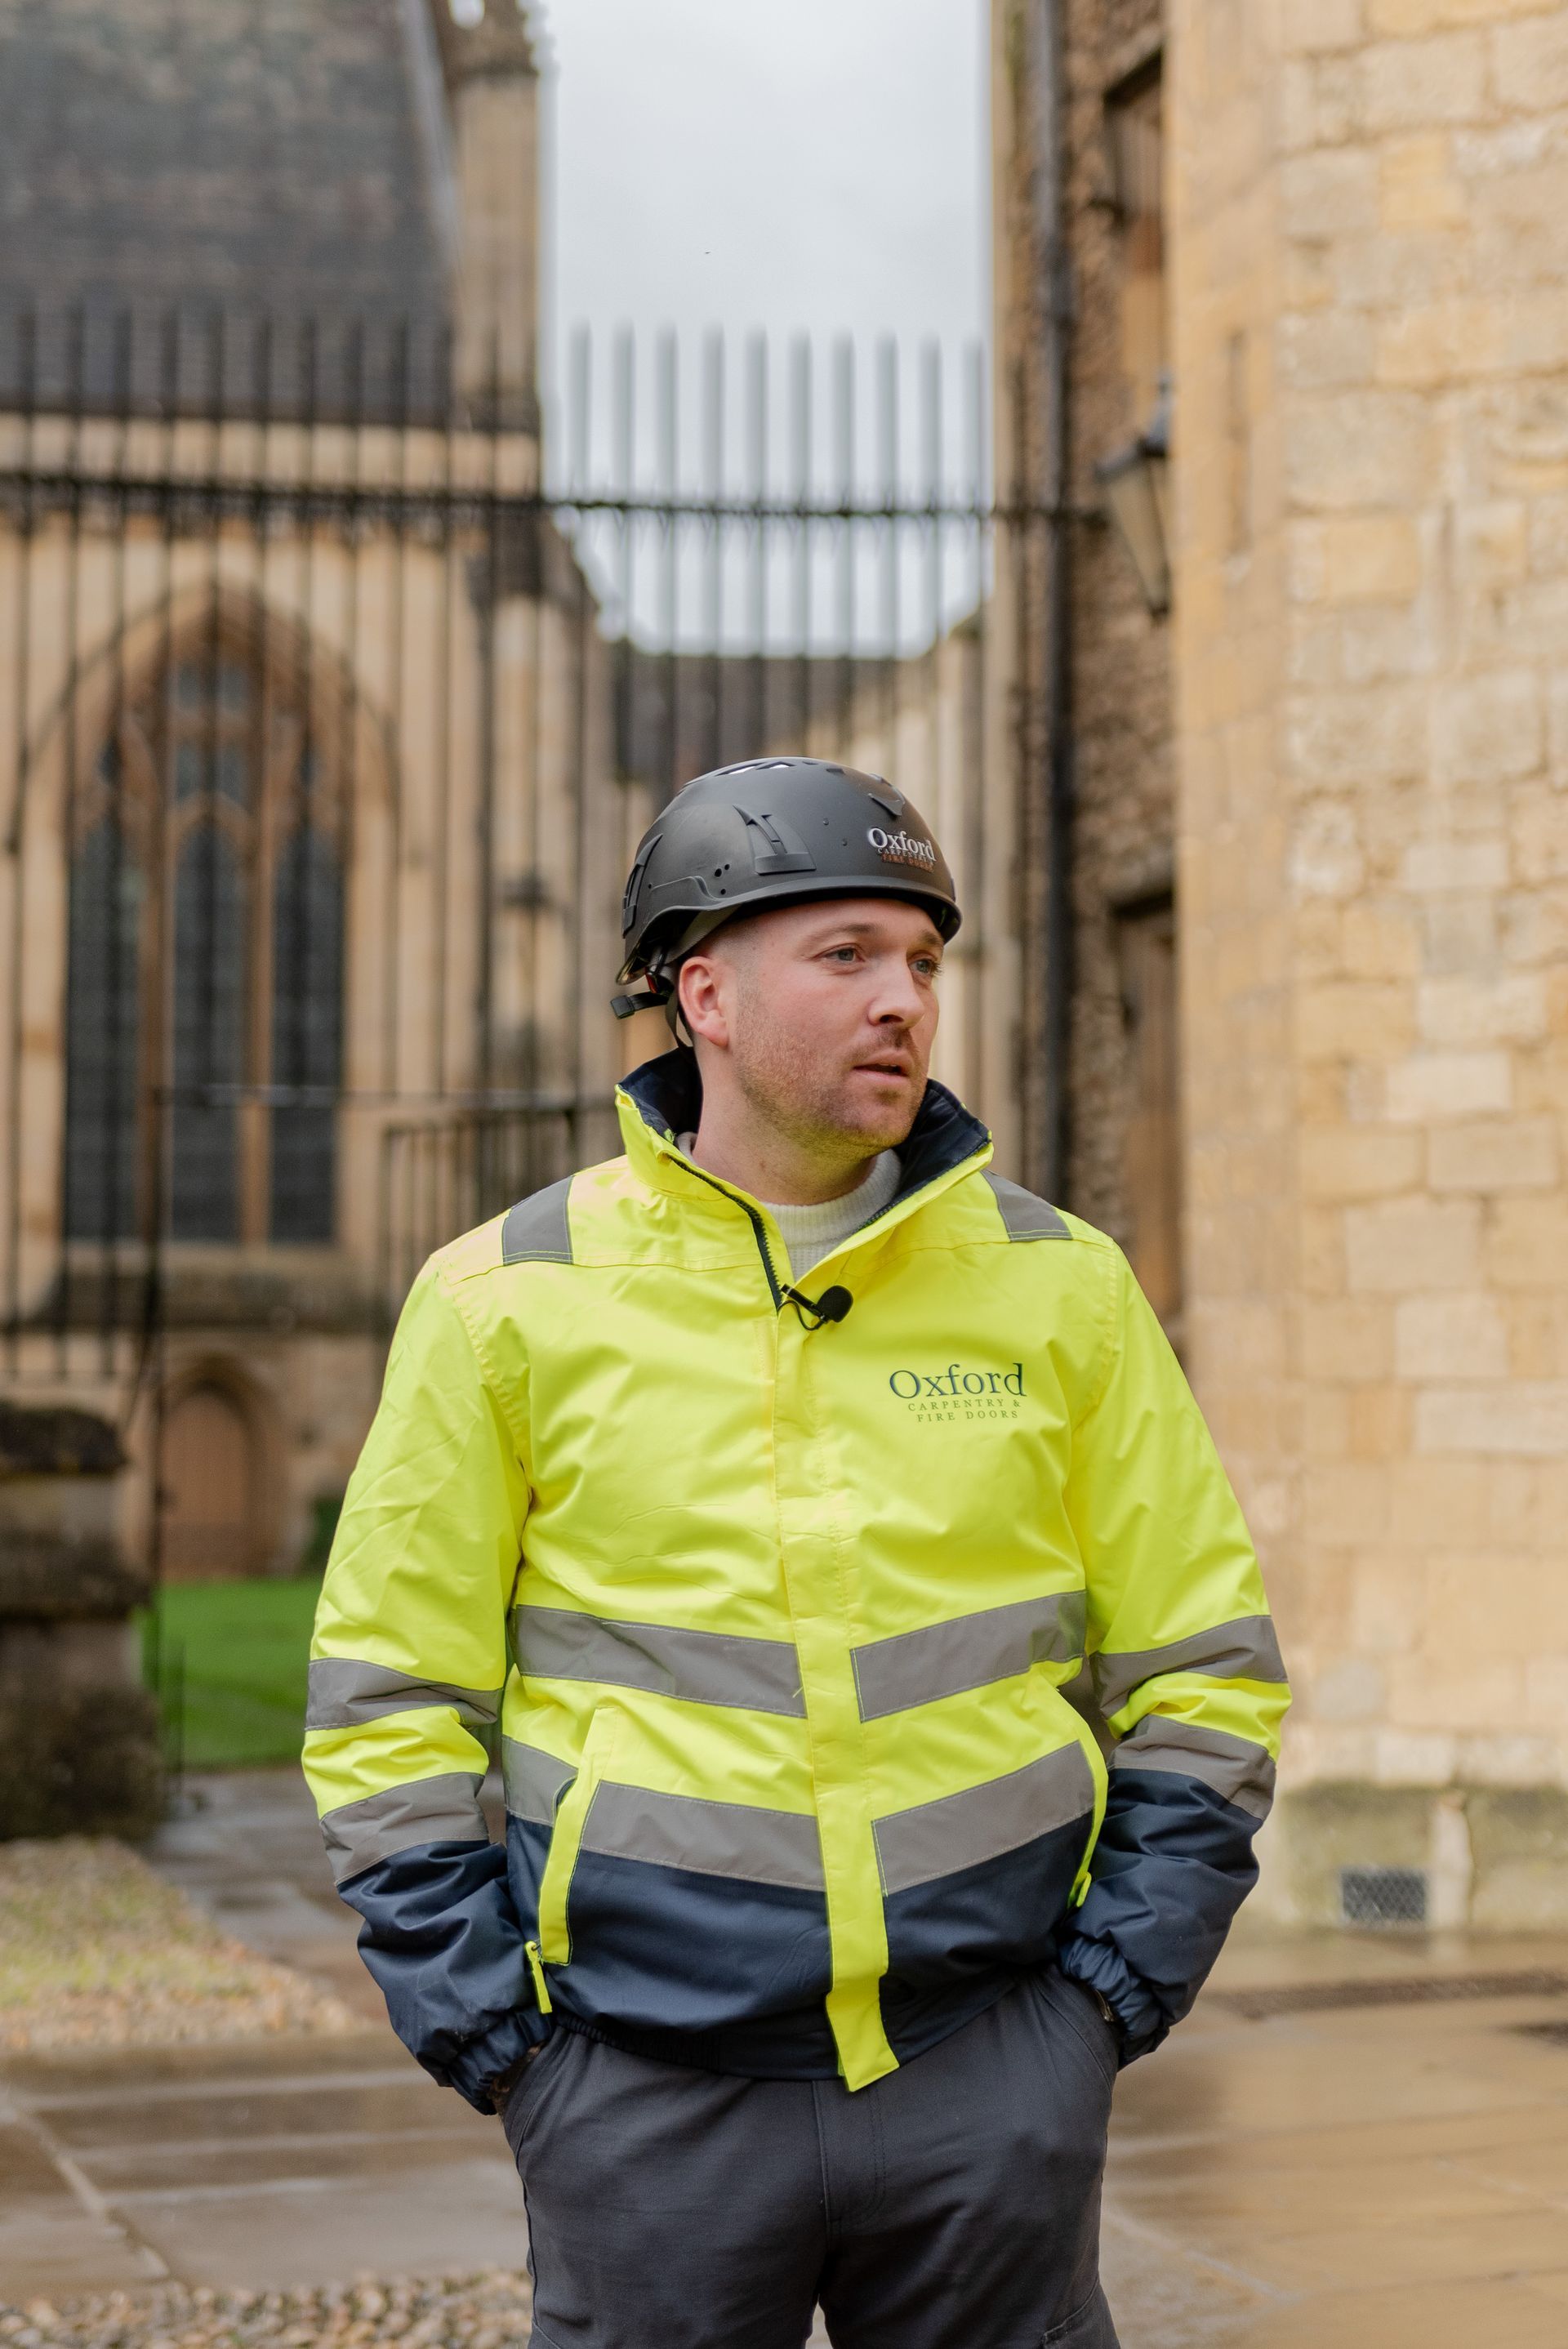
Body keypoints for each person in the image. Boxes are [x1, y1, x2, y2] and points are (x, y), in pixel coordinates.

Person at [304, 758, 1289, 2349]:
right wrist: (507, 2042)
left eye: (924, 961)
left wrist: (1104, 2001)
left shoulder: (1063, 1286)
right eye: (847, 956)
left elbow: (1207, 1666)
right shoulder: (505, 1298)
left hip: (995, 2072)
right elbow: (385, 1704)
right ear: (704, 990)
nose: (904, 999)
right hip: (643, 2098)